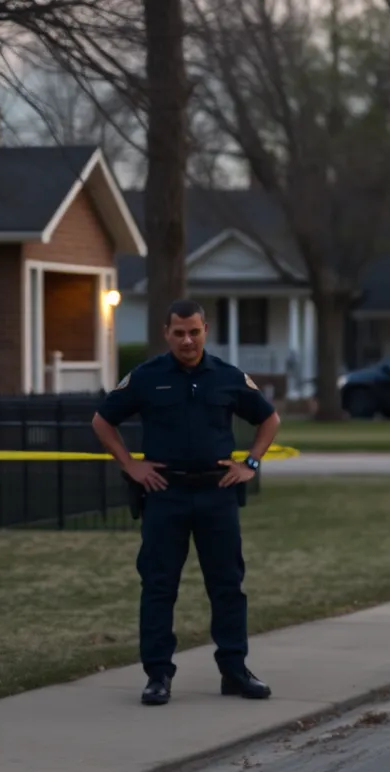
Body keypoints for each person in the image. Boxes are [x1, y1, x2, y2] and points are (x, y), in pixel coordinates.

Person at [91, 298, 283, 706]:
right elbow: (102, 421)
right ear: (167, 334)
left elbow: (269, 419)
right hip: (166, 494)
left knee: (227, 586)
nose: (187, 340)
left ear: (205, 331)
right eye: (178, 333)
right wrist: (131, 467)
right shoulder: (147, 377)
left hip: (217, 494)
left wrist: (250, 462)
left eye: (194, 332)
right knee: (159, 586)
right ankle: (158, 675)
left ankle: (235, 670)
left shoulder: (227, 377)